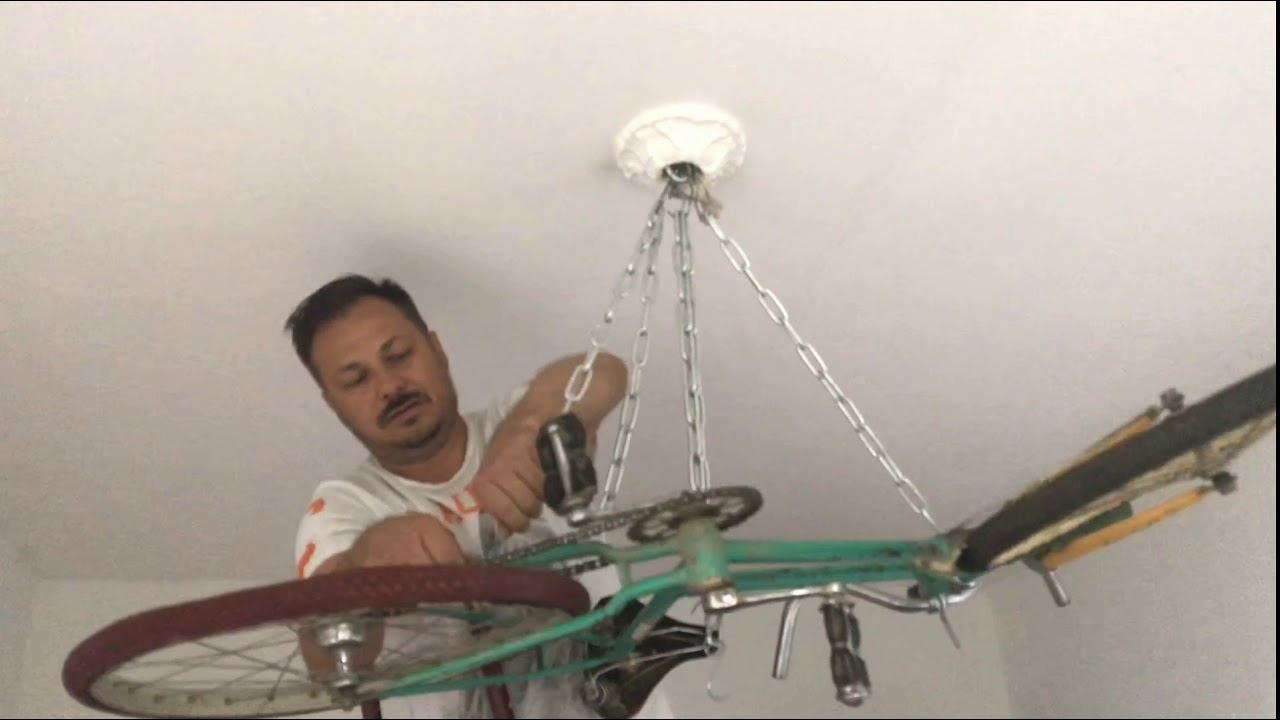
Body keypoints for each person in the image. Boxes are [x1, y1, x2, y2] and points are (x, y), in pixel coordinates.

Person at [286, 274, 675, 718]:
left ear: (437, 349)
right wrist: (366, 563)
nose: (389, 386)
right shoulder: (342, 506)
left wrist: (528, 426)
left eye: (399, 355)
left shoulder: (510, 420)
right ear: (333, 404)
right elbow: (325, 663)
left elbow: (603, 372)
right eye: (357, 380)